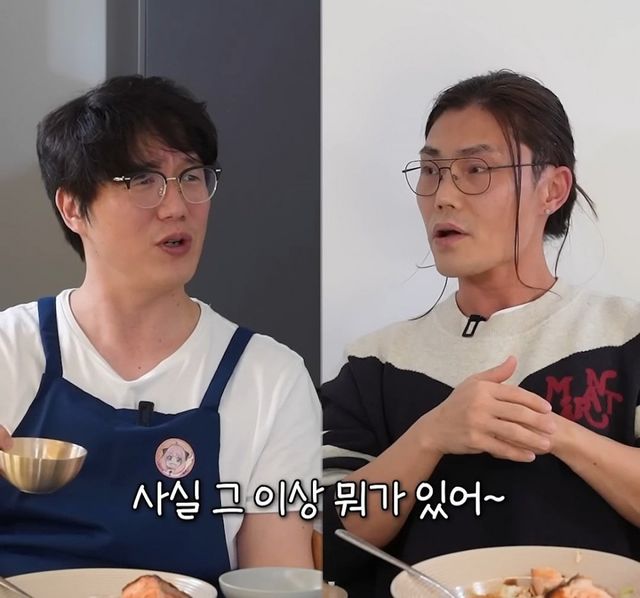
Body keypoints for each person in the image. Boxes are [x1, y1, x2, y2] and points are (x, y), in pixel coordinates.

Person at [322, 70, 640, 596]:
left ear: (552, 189)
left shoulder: (626, 336)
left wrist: (556, 433)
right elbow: (325, 536)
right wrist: (430, 436)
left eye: (476, 169)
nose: (443, 196)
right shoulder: (376, 363)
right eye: (431, 171)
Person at [0, 75, 321, 584]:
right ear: (73, 207)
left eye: (191, 176)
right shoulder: (9, 350)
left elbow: (275, 586)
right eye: (143, 181)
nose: (177, 206)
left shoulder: (270, 379)